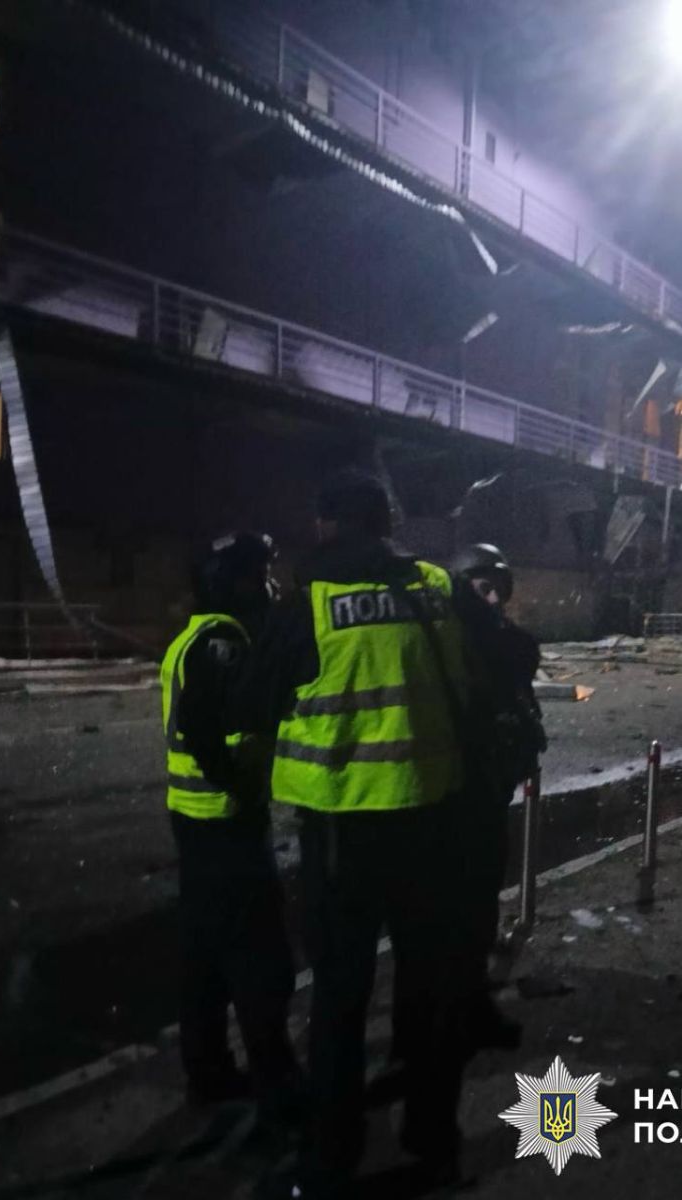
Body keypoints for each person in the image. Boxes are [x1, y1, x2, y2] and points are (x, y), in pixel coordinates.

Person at [231, 471, 471, 1199]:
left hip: (342, 831)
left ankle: (330, 1162)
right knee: (428, 990)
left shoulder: (308, 604)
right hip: (431, 820)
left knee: (339, 1000)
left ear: (327, 525)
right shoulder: (435, 587)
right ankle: (433, 1143)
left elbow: (253, 703)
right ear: (387, 522)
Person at [160, 531, 301, 1141]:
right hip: (226, 822)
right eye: (259, 575)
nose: (268, 585)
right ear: (235, 582)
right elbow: (200, 729)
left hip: (192, 820)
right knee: (261, 962)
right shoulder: (224, 641)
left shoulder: (191, 636)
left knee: (204, 957)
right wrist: (240, 786)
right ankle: (280, 1091)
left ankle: (209, 1072)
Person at [447, 543, 546, 1052]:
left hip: (490, 788)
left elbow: (522, 663)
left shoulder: (505, 639)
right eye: (481, 589)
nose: (492, 600)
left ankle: (471, 1001)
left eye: (497, 590)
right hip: (454, 793)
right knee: (455, 908)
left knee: (481, 900)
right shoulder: (448, 641)